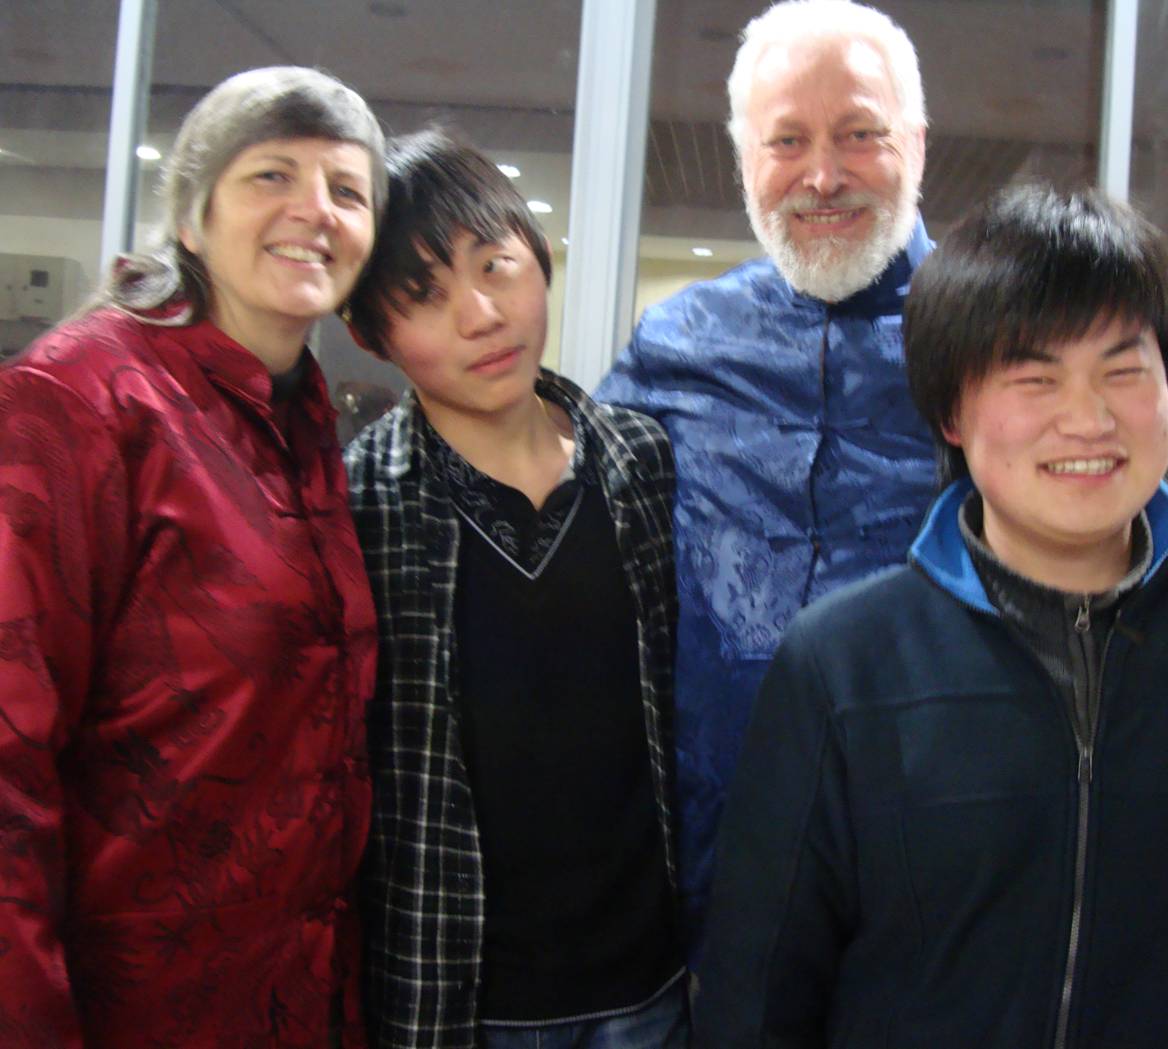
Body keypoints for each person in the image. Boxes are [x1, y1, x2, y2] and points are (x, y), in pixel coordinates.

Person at [596, 0, 1168, 949]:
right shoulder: (675, 342)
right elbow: (571, 496)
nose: (823, 173)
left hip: (943, 862)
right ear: (743, 157)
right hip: (696, 858)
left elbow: (1094, 453)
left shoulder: (995, 332)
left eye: (859, 134)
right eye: (786, 139)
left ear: (916, 143)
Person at [695, 184, 1168, 1048]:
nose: (1087, 418)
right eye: (1034, 376)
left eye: (1122, 368)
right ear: (951, 412)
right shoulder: (845, 662)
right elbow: (757, 988)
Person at [0, 67, 386, 1047]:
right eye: (272, 176)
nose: (315, 211)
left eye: (347, 190)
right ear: (190, 215)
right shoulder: (81, 402)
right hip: (126, 1006)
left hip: (293, 998)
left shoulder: (303, 421)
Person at [341, 130, 686, 1049]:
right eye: (424, 296)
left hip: (654, 986)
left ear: (537, 256)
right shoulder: (357, 503)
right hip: (455, 1001)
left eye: (497, 265)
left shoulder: (641, 460)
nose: (482, 314)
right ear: (369, 332)